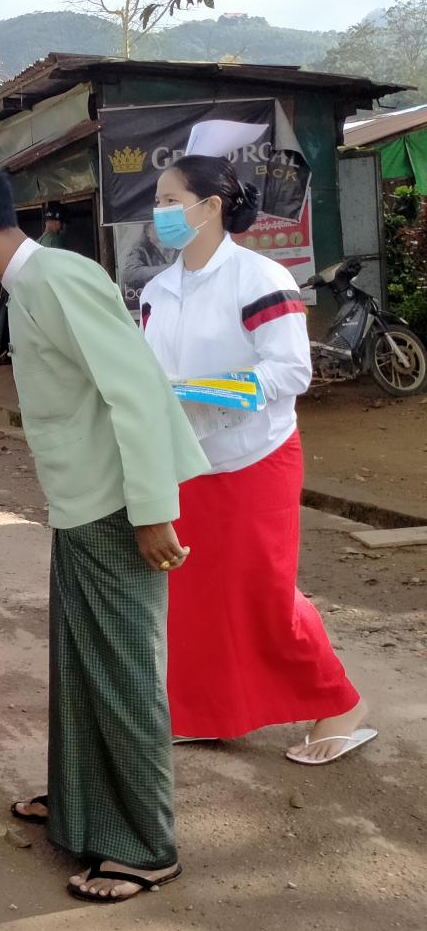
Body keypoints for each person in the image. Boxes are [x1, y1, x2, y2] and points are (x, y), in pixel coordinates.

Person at [0, 155, 207, 904]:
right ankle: (83, 803)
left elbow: (135, 392)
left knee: (123, 674)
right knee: (82, 665)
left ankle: (145, 846)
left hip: (117, 509)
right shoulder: (30, 286)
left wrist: (154, 510)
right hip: (82, 506)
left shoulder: (59, 278)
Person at [141, 153, 371, 764]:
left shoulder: (261, 278)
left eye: (170, 201)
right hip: (188, 460)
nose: (159, 213)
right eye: (157, 202)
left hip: (255, 457)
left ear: (211, 206)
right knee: (193, 595)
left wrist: (199, 390)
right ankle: (206, 711)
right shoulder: (157, 291)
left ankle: (340, 703)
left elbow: (291, 371)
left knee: (264, 593)